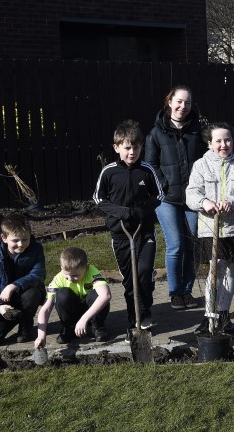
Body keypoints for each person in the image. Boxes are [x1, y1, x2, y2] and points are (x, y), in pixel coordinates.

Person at [93, 120, 164, 335]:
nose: (132, 152)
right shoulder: (109, 172)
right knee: (129, 279)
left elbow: (159, 194)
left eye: (136, 147)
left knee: (142, 272)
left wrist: (142, 210)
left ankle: (144, 313)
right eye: (127, 147)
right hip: (120, 233)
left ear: (142, 147)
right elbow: (98, 198)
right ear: (116, 148)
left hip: (144, 231)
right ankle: (134, 318)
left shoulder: (147, 170)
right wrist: (121, 212)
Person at [186, 122, 234, 335]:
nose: (224, 145)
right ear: (209, 143)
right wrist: (205, 203)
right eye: (218, 141)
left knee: (229, 271)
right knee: (214, 271)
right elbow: (192, 193)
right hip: (209, 228)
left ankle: (224, 314)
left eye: (227, 140)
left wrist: (231, 202)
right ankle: (209, 315)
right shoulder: (200, 165)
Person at [145, 85, 205, 310]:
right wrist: (164, 184)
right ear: (169, 102)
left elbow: (206, 159)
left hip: (192, 197)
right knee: (176, 245)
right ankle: (174, 292)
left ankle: (187, 292)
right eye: (179, 101)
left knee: (192, 245)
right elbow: (150, 164)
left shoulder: (197, 131)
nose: (183, 106)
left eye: (187, 103)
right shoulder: (156, 132)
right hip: (166, 198)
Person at [0, 213, 46, 346]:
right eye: (15, 240)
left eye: (25, 239)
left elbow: (38, 274)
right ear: (4, 238)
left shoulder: (36, 250)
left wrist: (13, 286)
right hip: (4, 303)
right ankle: (14, 317)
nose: (21, 244)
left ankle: (25, 326)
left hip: (25, 297)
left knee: (33, 293)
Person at [34, 247, 111, 347]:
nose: (70, 279)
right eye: (67, 275)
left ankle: (98, 327)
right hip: (74, 313)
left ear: (86, 267)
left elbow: (106, 295)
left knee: (96, 294)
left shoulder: (92, 271)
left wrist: (84, 319)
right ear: (61, 268)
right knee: (61, 294)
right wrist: (41, 335)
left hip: (91, 312)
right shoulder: (58, 279)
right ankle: (69, 328)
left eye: (75, 276)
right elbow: (46, 309)